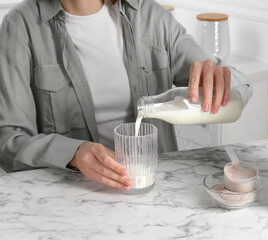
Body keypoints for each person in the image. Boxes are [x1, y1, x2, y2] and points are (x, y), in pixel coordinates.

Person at [0, 0, 252, 191]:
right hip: (71, 193)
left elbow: (238, 84)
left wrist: (218, 75)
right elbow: (7, 139)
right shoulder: (21, 26)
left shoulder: (149, 15)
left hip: (153, 190)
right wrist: (74, 154)